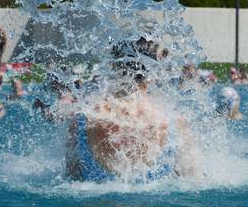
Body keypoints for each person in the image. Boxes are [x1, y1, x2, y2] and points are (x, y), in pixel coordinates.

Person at [66, 74, 203, 182]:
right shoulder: (174, 121)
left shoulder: (81, 121)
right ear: (147, 81)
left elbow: (71, 181)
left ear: (108, 76)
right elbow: (193, 180)